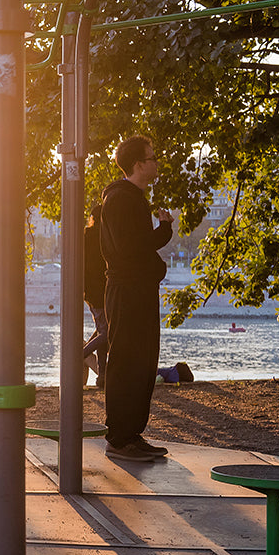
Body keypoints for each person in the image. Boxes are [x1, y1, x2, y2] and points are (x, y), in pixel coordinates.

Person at [100, 135, 174, 462]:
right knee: (127, 361)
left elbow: (137, 245)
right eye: (152, 157)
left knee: (143, 361)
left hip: (137, 290)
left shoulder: (132, 198)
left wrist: (163, 231)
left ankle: (131, 433)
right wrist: (163, 237)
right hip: (128, 291)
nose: (157, 163)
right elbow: (130, 249)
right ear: (138, 164)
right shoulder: (120, 199)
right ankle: (119, 437)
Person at [81, 203, 107, 387]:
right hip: (104, 290)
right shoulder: (105, 237)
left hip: (90, 291)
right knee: (107, 332)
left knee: (102, 329)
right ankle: (80, 354)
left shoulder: (85, 236)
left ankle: (102, 376)